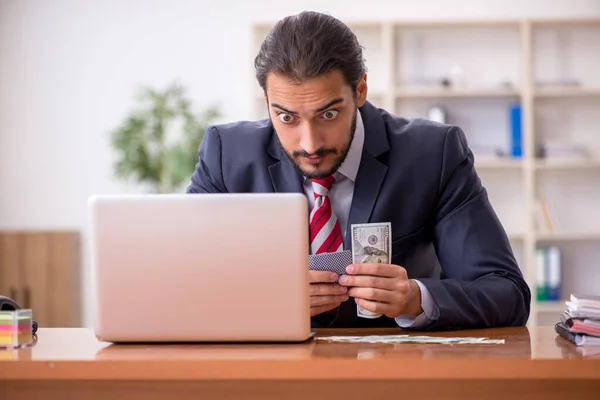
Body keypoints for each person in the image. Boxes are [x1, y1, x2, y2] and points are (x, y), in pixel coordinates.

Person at [187, 11, 531, 330]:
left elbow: (507, 292)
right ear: (267, 103)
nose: (309, 144)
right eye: (287, 117)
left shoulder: (433, 154)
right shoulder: (226, 155)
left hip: (393, 375)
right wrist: (265, 298)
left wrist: (416, 299)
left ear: (360, 90)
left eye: (329, 114)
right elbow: (184, 282)